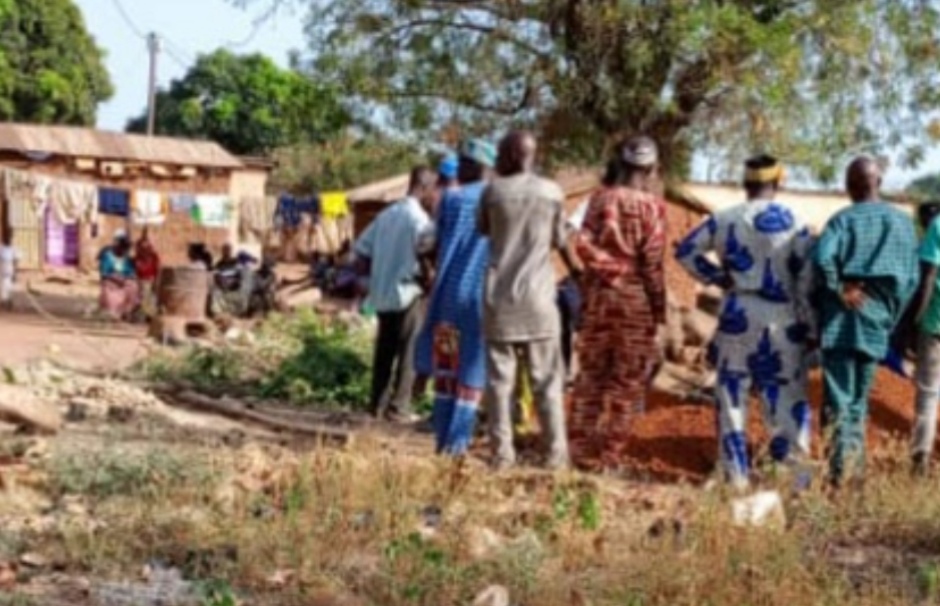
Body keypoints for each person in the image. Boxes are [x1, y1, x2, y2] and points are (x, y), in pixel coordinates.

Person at [675, 155, 816, 488]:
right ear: (778, 182)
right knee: (785, 396)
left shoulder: (724, 219)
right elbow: (806, 280)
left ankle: (734, 477)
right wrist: (810, 327)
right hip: (783, 317)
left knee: (732, 394)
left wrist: (716, 277)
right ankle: (794, 478)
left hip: (737, 311)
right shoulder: (797, 223)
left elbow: (685, 251)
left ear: (745, 183)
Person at [814, 156, 919, 487]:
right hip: (877, 323)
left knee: (839, 402)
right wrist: (889, 316)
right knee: (859, 403)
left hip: (841, 325)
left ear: (848, 187)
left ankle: (839, 478)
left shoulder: (842, 221)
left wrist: (839, 286)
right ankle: (855, 476)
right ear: (880, 183)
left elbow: (821, 259)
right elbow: (912, 281)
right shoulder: (902, 224)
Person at [478, 131, 577, 470]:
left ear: (508, 155)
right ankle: (556, 456)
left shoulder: (492, 193)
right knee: (548, 382)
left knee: (498, 384)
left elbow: (485, 231)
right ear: (531, 156)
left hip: (499, 300)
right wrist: (581, 276)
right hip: (539, 301)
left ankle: (502, 455)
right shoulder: (552, 193)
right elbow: (560, 240)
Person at [569, 137, 667, 471]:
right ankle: (610, 458)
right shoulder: (654, 207)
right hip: (636, 302)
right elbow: (653, 262)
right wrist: (659, 308)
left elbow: (581, 244)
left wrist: (608, 268)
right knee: (627, 385)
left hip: (598, 299)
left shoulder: (599, 199)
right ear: (652, 169)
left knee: (591, 377)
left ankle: (578, 452)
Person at [415, 139, 496, 455]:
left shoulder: (450, 199)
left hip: (448, 297)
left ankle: (441, 440)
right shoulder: (497, 201)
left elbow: (425, 243)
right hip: (480, 297)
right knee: (472, 371)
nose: (460, 167)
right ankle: (457, 445)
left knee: (447, 370)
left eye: (464, 162)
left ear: (476, 166)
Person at [354, 166, 439, 423]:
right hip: (408, 291)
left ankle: (375, 405)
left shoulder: (386, 215)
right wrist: (427, 278)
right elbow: (426, 253)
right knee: (409, 350)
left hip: (382, 292)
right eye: (432, 190)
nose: (433, 196)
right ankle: (399, 407)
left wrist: (371, 277)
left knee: (385, 349)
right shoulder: (420, 221)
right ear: (424, 188)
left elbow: (361, 250)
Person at [891, 201, 940, 476]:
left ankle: (920, 461)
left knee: (929, 395)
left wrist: (911, 323)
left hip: (935, 323)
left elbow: (928, 278)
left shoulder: (938, 226)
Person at [99, 234, 139, 320]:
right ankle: (113, 311)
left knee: (133, 286)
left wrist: (127, 277)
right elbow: (104, 273)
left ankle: (127, 311)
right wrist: (115, 277)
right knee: (109, 287)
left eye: (125, 250)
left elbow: (130, 272)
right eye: (122, 248)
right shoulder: (107, 256)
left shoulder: (126, 258)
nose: (123, 251)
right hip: (110, 281)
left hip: (123, 280)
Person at [134, 231, 161, 319]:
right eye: (141, 248)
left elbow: (157, 271)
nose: (143, 250)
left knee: (149, 294)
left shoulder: (154, 257)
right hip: (139, 281)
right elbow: (134, 272)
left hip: (150, 281)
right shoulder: (136, 259)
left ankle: (149, 314)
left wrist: (155, 282)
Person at [0, 231, 20, 311]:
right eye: (6, 237)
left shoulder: (13, 249)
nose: (8, 239)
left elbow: (16, 261)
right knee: (3, 289)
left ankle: (9, 303)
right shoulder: (1, 249)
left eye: (9, 237)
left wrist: (15, 273)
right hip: (2, 272)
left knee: (9, 288)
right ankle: (4, 303)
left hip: (9, 271)